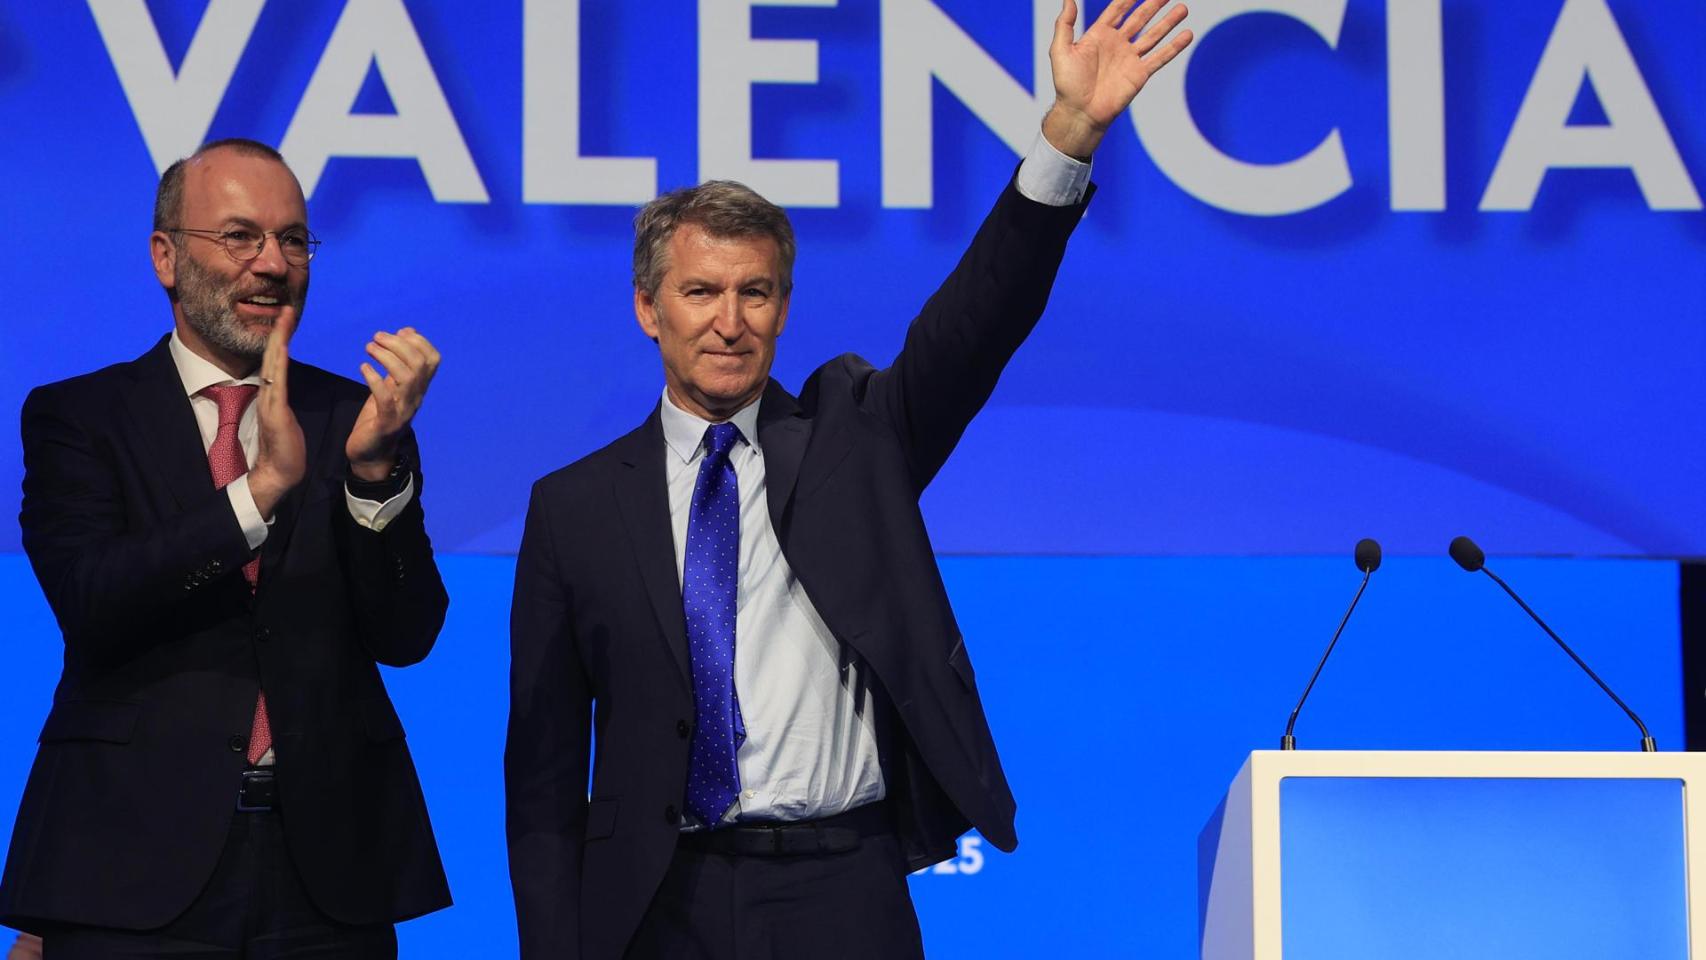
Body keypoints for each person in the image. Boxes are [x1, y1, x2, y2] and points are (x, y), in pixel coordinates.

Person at [505, 1, 1193, 956]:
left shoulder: (853, 438)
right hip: (657, 904)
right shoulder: (572, 507)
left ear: (785, 309)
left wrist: (1068, 135)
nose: (730, 320)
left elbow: (976, 322)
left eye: (756, 292)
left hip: (843, 891)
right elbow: (540, 780)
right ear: (647, 309)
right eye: (701, 292)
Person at [0, 138, 450, 958]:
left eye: (292, 239)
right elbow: (95, 600)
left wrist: (376, 471)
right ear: (166, 257)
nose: (272, 263)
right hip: (127, 866)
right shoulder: (80, 417)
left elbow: (407, 634)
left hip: (327, 872)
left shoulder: (362, 418)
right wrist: (261, 489)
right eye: (241, 236)